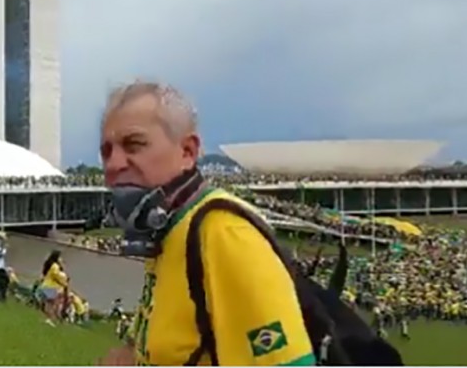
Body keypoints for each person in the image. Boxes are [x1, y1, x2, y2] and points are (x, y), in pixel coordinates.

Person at [98, 81, 314, 366]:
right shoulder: (168, 230)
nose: (113, 164)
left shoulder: (224, 233)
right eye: (106, 151)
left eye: (134, 145)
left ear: (187, 151)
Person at [39, 250, 69, 327]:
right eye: (60, 257)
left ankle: (47, 318)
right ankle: (50, 319)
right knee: (53, 304)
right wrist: (63, 283)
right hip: (51, 286)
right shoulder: (55, 266)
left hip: (45, 285)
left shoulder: (50, 265)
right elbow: (56, 276)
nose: (61, 259)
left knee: (48, 303)